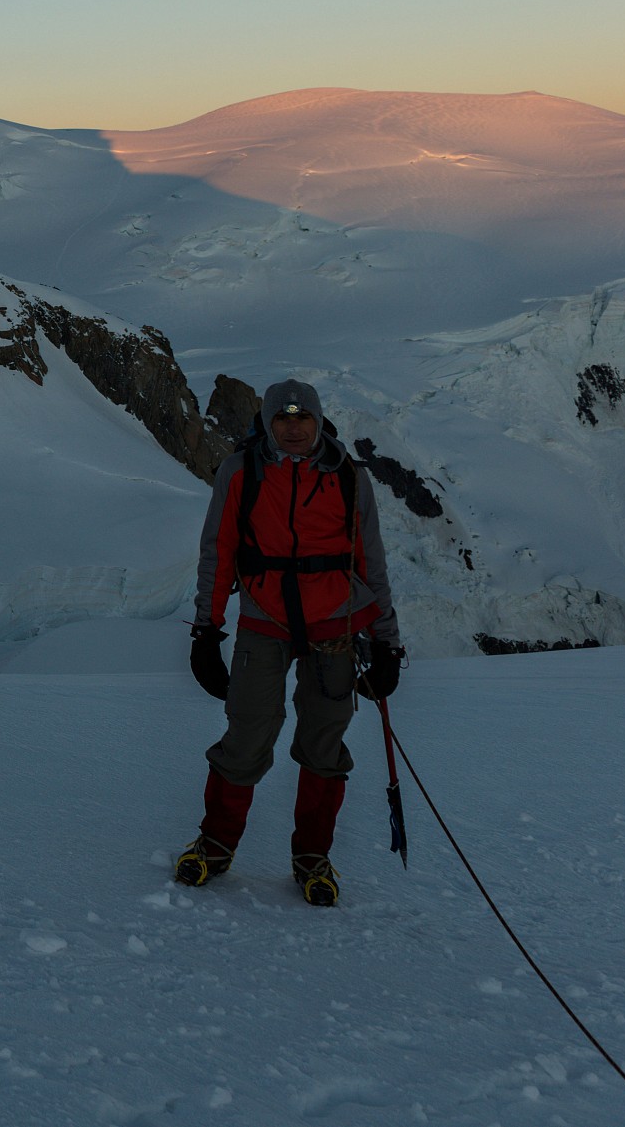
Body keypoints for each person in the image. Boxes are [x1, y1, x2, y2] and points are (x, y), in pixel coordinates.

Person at [174, 378, 405, 905]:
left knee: (324, 743)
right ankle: (215, 845)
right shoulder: (241, 472)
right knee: (247, 733)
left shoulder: (348, 477)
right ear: (268, 423)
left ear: (319, 420)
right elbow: (219, 552)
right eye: (283, 418)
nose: (294, 428)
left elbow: (370, 559)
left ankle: (312, 857)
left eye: (303, 418)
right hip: (265, 620)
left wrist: (387, 641)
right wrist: (205, 632)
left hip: (335, 626)